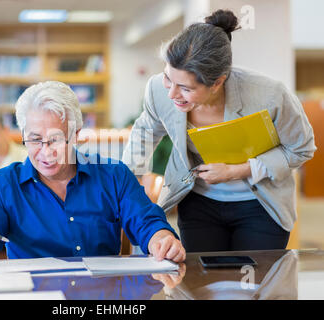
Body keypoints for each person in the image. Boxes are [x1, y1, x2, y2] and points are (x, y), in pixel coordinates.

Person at [122, 9, 316, 252]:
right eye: (167, 79)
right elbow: (145, 133)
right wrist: (125, 183)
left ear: (217, 82)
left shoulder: (269, 95)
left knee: (254, 285)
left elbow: (301, 149)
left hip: (260, 203)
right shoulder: (157, 90)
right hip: (199, 201)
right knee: (201, 283)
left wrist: (238, 171)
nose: (172, 93)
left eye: (185, 88)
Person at [0, 81, 186, 263]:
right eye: (35, 140)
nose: (45, 152)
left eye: (56, 140)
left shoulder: (114, 176)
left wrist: (161, 239)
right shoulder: (4, 184)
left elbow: (147, 222)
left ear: (76, 135)